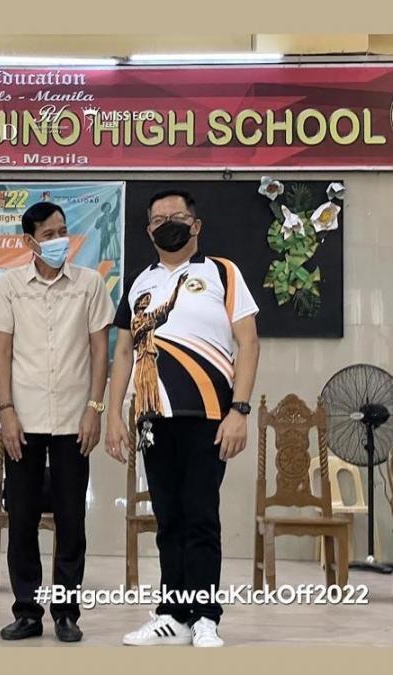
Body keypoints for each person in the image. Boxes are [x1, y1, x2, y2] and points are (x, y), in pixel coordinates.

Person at [105, 189, 260, 648]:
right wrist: (113, 414)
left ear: (195, 224)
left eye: (176, 216)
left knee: (200, 515)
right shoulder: (139, 283)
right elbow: (123, 353)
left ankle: (205, 616)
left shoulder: (222, 273)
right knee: (169, 519)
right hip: (154, 417)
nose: (167, 224)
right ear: (148, 230)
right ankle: (172, 615)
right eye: (158, 219)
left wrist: (239, 410)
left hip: (209, 416)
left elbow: (248, 343)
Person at [0, 201, 114, 643]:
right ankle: (26, 611)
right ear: (29, 241)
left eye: (63, 231)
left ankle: (66, 612)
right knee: (21, 519)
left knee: (71, 520)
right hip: (23, 419)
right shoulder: (10, 286)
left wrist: (95, 408)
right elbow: (2, 352)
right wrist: (6, 411)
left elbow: (100, 350)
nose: (60, 240)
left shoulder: (89, 283)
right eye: (49, 234)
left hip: (75, 419)